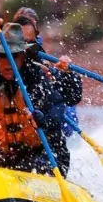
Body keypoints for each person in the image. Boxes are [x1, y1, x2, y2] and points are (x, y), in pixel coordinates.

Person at [0, 22, 71, 176]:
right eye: (2, 57)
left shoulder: (36, 78)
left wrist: (43, 119)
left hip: (42, 155)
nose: (7, 63)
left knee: (28, 165)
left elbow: (57, 108)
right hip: (6, 156)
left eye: (13, 57)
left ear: (23, 57)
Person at [11, 7, 82, 136]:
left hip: (44, 129)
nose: (26, 43)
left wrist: (67, 73)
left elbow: (73, 96)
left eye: (32, 24)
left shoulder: (40, 59)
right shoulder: (3, 61)